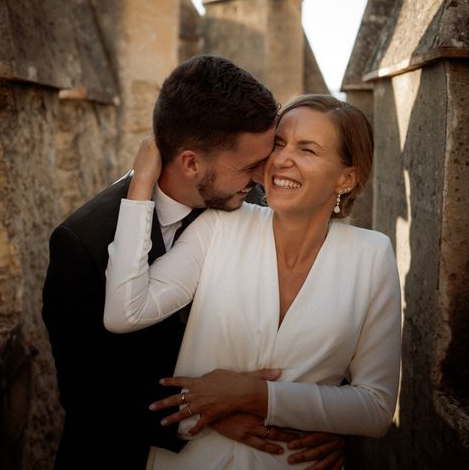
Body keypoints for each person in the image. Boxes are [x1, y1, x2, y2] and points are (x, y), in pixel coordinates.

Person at [42, 56, 345, 470]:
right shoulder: (82, 241)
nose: (263, 178)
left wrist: (328, 422)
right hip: (118, 455)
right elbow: (85, 388)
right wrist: (207, 414)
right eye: (249, 166)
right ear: (190, 163)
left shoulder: (258, 207)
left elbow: (318, 312)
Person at [104, 94, 402, 469]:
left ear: (346, 177)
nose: (282, 159)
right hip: (192, 459)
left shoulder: (372, 256)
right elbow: (125, 312)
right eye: (279, 143)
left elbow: (375, 408)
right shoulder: (220, 226)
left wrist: (258, 396)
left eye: (307, 149)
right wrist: (141, 186)